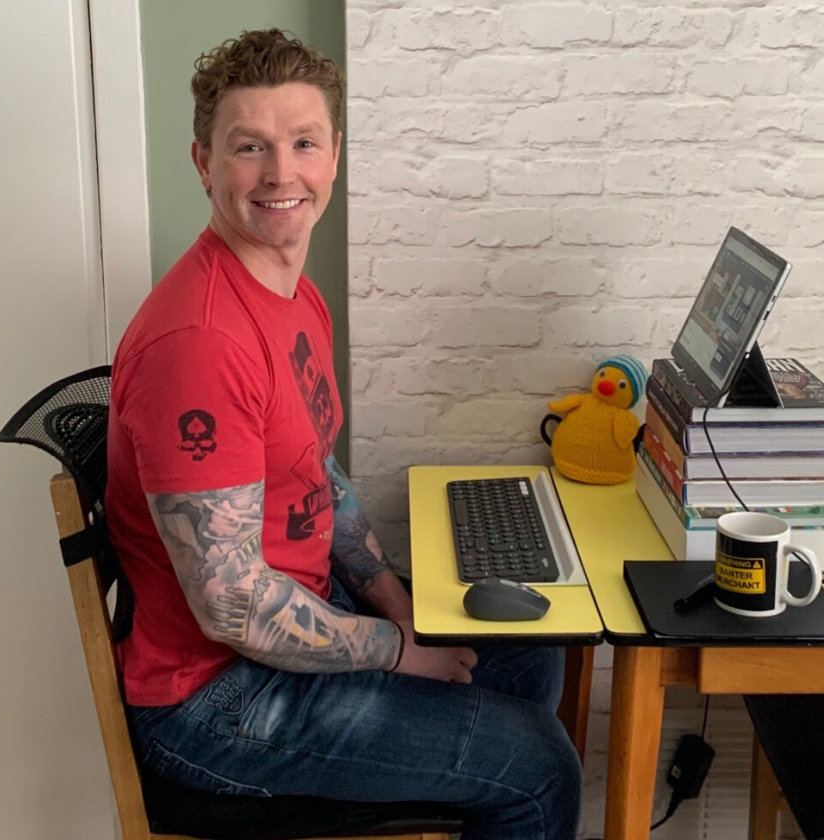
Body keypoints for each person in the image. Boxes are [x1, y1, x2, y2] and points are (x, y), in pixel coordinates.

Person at [105, 28, 581, 840]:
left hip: (289, 627)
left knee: (531, 654)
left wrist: (399, 605)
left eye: (302, 143)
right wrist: (400, 651)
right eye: (249, 146)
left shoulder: (295, 297)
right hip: (216, 701)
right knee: (536, 767)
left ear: (334, 156)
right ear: (204, 163)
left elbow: (317, 474)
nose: (280, 173)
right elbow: (231, 607)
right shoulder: (201, 344)